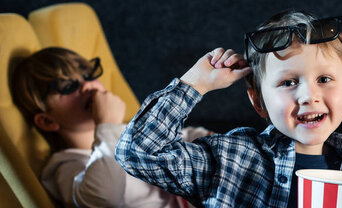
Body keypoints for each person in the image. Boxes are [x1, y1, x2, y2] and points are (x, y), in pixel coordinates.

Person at [115, 10, 342, 207]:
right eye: (288, 82)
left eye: (324, 79)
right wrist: (195, 84)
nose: (308, 96)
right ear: (258, 101)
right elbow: (138, 152)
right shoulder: (230, 159)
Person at [9, 47, 207, 207]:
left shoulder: (123, 132)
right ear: (47, 121)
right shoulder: (63, 167)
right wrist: (107, 124)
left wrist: (205, 137)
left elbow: (172, 136)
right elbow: (104, 197)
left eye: (87, 75)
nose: (87, 86)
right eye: (67, 86)